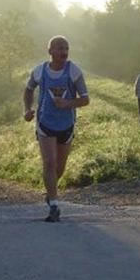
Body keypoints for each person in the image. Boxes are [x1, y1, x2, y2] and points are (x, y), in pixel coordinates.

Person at [23, 36, 90, 222]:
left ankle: (50, 191)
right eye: (60, 48)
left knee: (59, 168)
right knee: (49, 163)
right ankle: (54, 205)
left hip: (66, 125)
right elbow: (28, 90)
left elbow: (85, 99)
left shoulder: (74, 71)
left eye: (66, 48)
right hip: (45, 123)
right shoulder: (40, 71)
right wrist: (27, 109)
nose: (64, 51)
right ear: (50, 51)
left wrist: (68, 103)